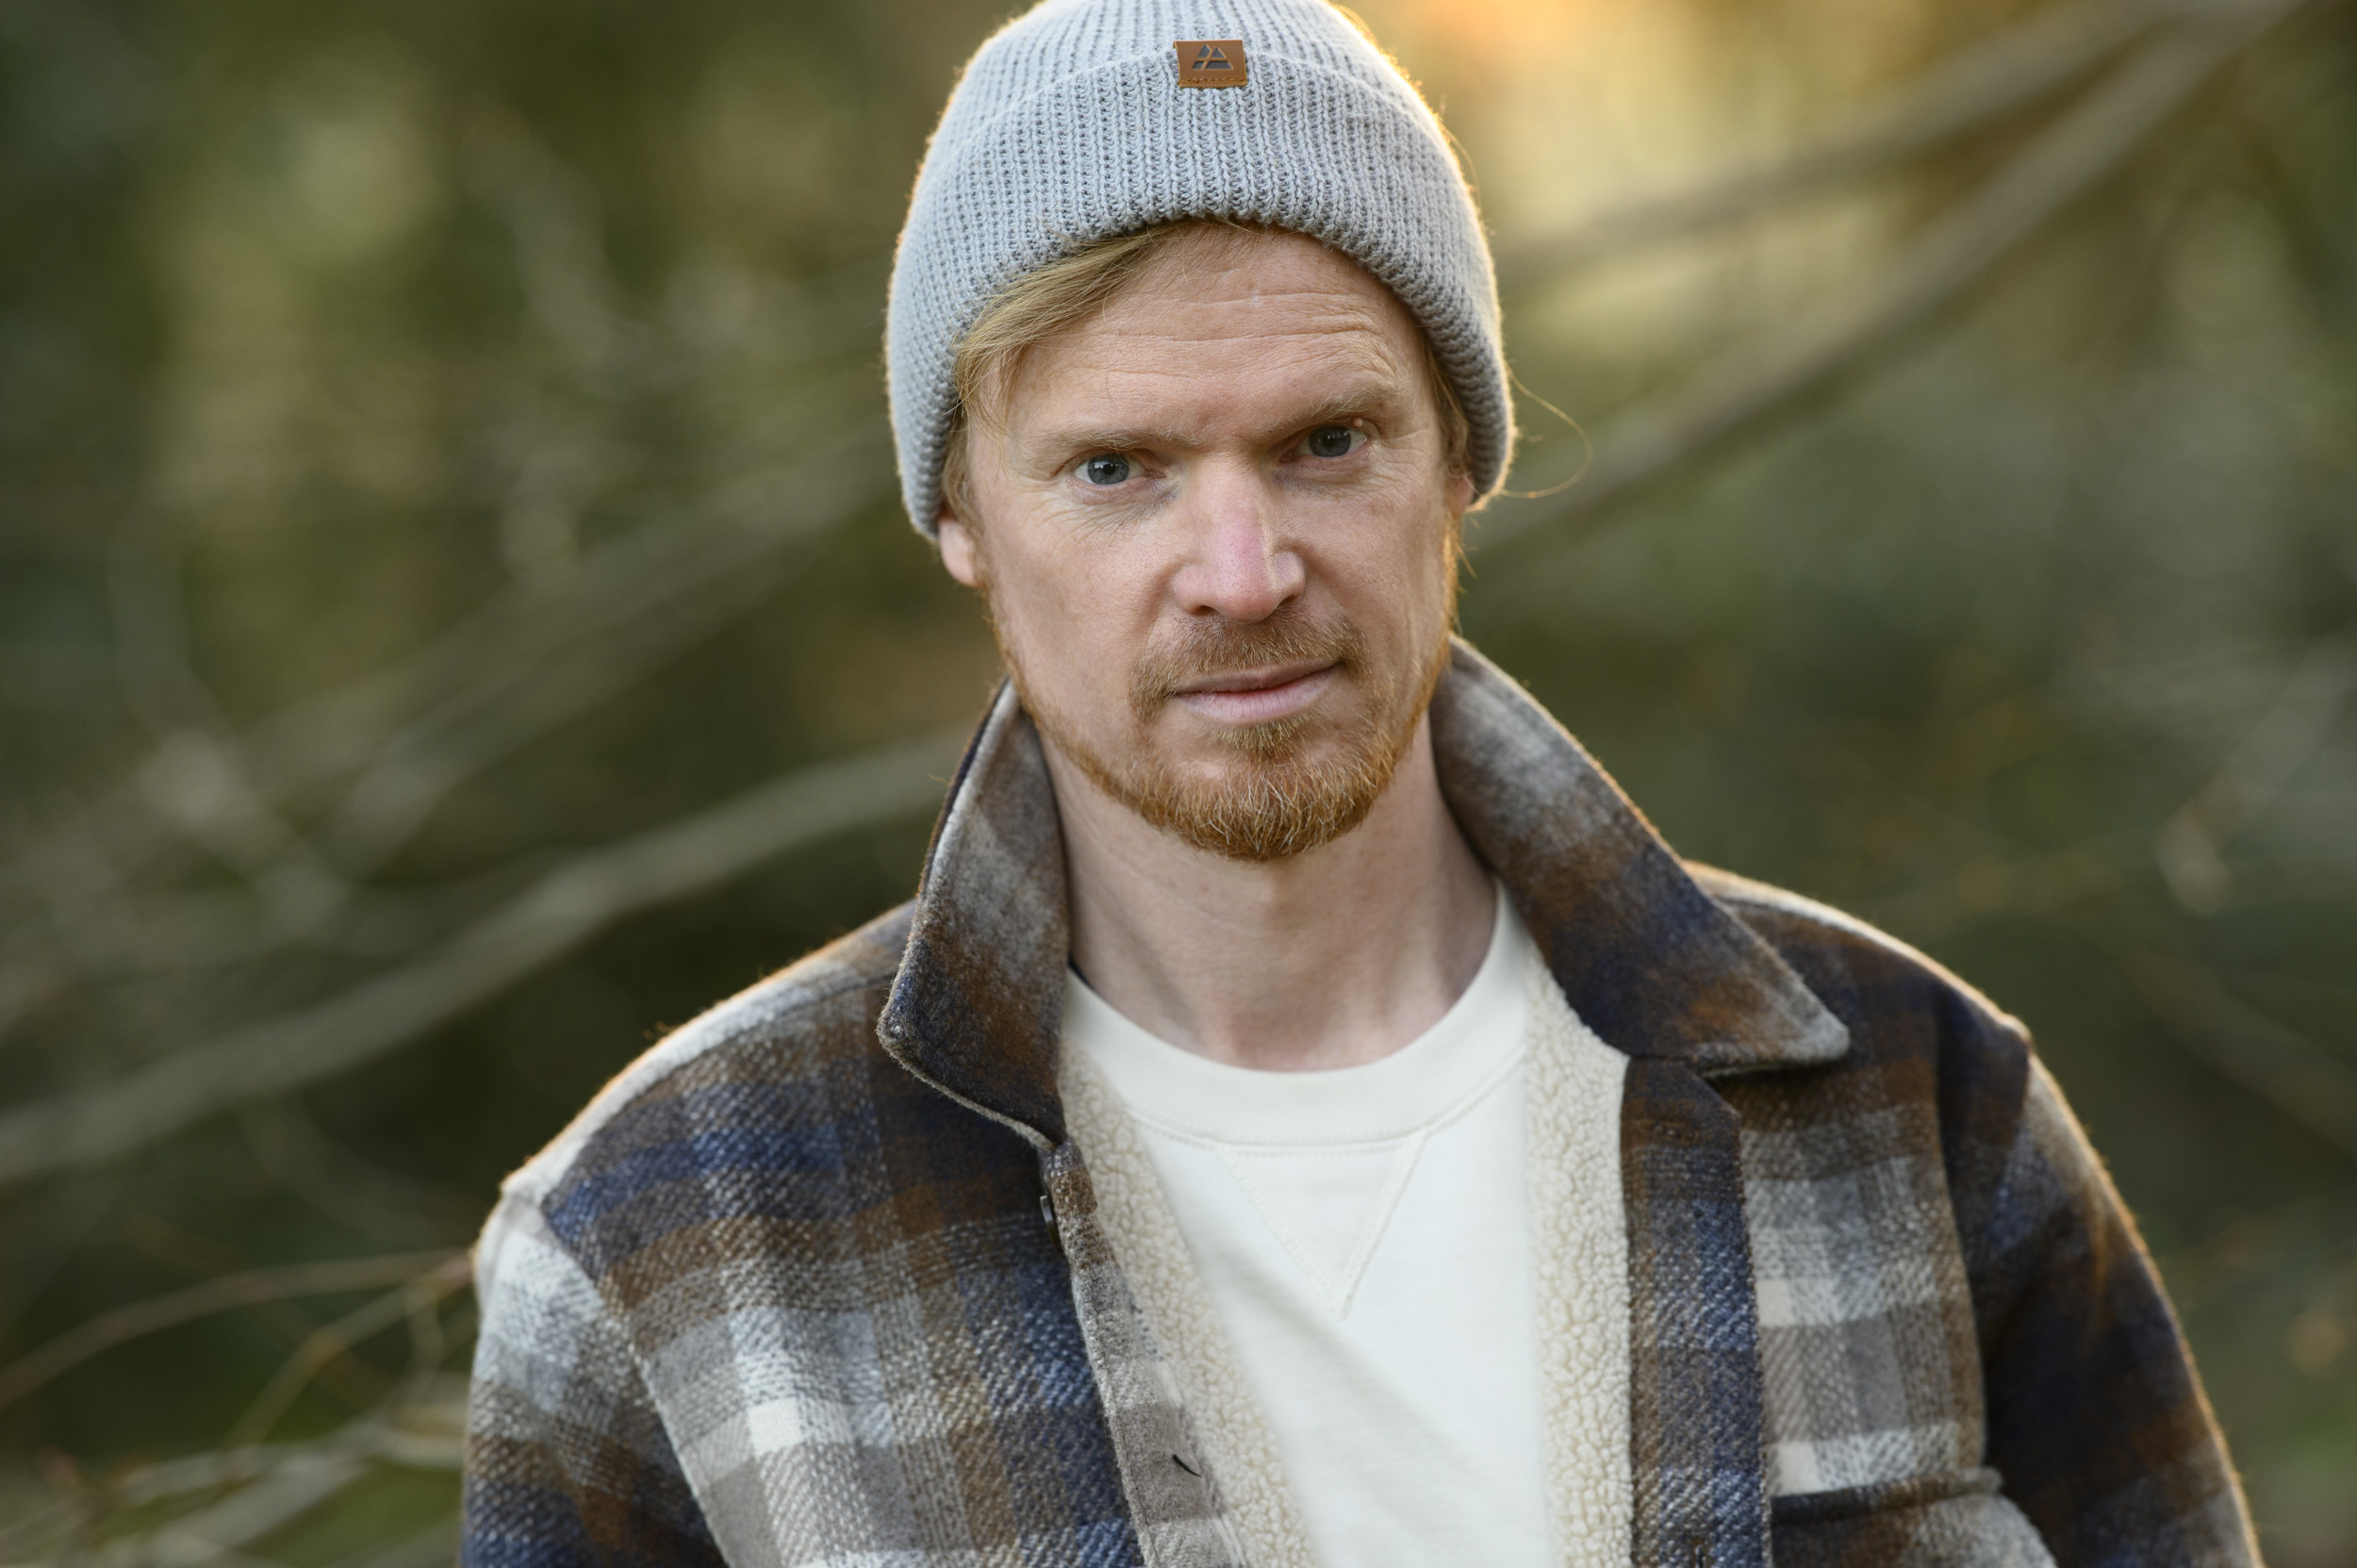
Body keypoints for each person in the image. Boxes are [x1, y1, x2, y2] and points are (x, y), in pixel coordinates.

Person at [459, 2, 2259, 1564]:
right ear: (960, 519)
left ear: (1458, 461)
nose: (1241, 571)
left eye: (1327, 442)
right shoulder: (661, 1243)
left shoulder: (1916, 1111)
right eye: (1116, 469)